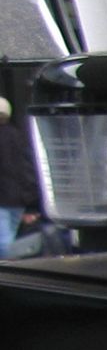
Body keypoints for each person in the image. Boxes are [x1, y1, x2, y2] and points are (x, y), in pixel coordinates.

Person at [0, 96, 43, 257]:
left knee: (4, 243)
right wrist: (32, 203)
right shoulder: (18, 136)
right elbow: (28, 170)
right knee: (8, 239)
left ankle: (7, 275)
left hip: (3, 198)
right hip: (18, 199)